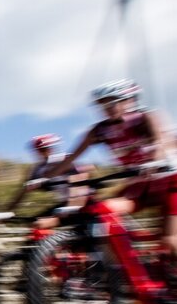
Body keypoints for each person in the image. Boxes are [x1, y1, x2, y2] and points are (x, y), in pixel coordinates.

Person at [48, 79, 177, 270]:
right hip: (140, 184)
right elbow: (72, 156)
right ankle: (118, 272)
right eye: (102, 104)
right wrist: (46, 176)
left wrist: (155, 160)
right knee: (101, 210)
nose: (106, 108)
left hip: (170, 181)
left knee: (169, 239)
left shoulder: (145, 117)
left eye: (112, 102)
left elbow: (161, 140)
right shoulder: (99, 130)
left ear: (129, 100)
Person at [0, 134, 91, 228]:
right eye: (40, 150)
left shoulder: (64, 159)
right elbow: (22, 192)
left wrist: (73, 206)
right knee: (36, 224)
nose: (45, 152)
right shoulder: (37, 169)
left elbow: (83, 176)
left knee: (44, 224)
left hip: (83, 202)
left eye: (47, 148)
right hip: (65, 203)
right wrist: (7, 212)